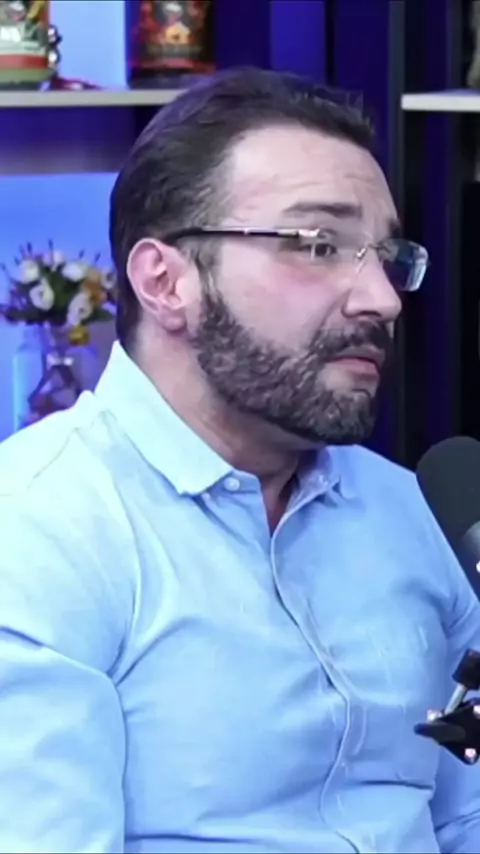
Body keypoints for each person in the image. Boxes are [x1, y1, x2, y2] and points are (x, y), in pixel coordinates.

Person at [0, 66, 478, 854]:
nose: (383, 299)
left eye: (388, 254)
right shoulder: (39, 530)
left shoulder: (411, 511)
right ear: (166, 282)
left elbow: (463, 815)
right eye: (318, 245)